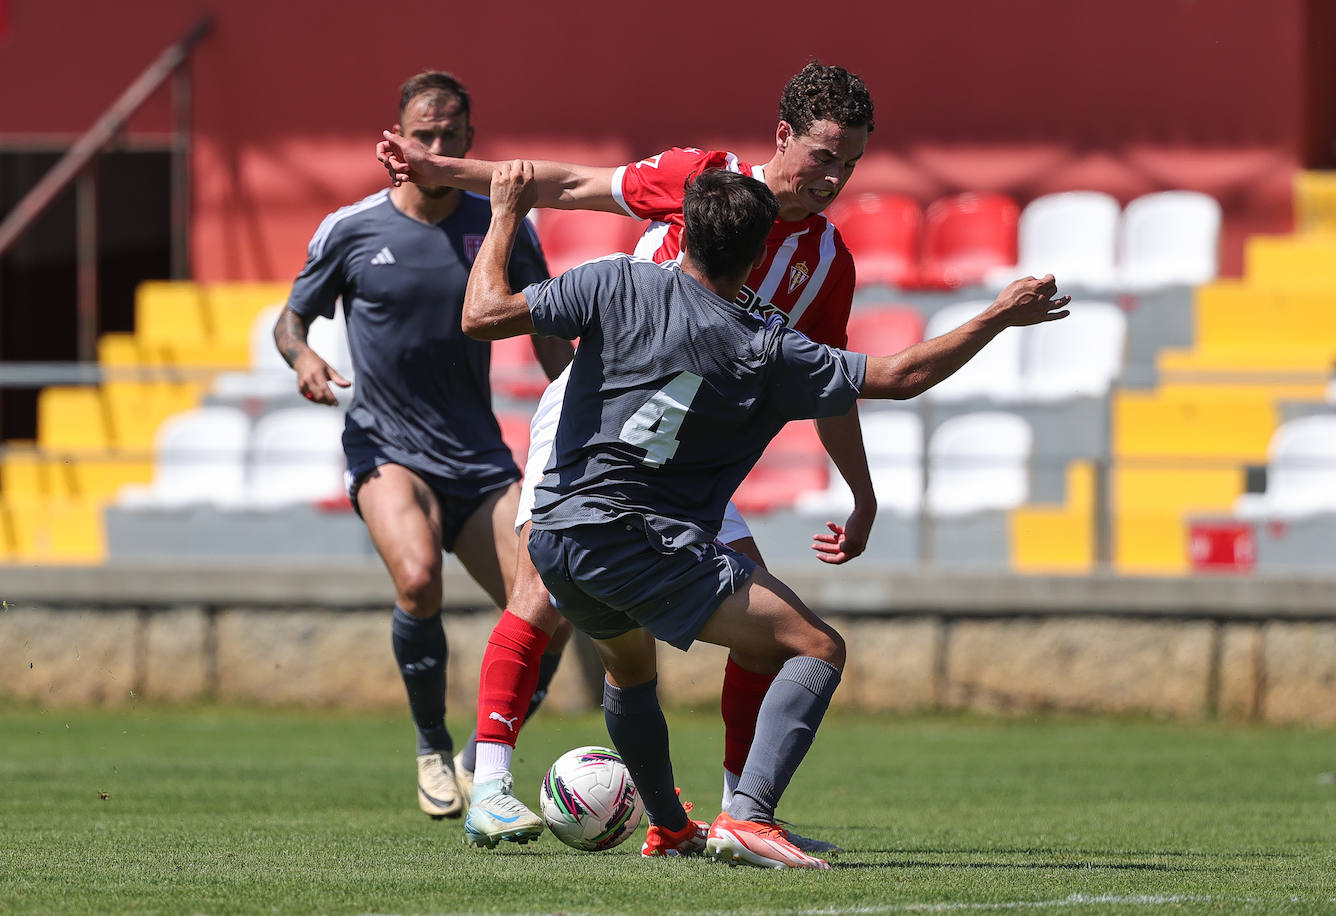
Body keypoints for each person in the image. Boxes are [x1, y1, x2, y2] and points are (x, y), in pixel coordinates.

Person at [465, 162, 1068, 869]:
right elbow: (901, 375)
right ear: (757, 259)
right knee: (817, 648)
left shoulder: (611, 279)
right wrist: (998, 315)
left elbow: (480, 316)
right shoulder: (765, 346)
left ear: (680, 230)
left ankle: (670, 827)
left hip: (559, 533)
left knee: (629, 672)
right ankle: (747, 815)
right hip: (642, 539)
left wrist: (506, 213)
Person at [380, 61, 883, 851]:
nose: (835, 177)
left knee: (763, 620)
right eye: (825, 155)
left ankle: (736, 814)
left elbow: (832, 386)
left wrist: (862, 495)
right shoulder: (698, 179)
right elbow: (572, 184)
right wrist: (450, 171)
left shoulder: (827, 263)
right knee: (541, 591)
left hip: (688, 460)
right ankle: (493, 790)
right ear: (783, 135)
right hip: (593, 422)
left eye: (850, 163)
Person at [274, 70, 573, 822]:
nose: (438, 147)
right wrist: (304, 357)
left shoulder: (501, 225)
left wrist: (589, 404)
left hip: (478, 456)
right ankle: (431, 747)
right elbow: (291, 320)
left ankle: (481, 755)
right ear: (400, 140)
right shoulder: (351, 228)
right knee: (416, 580)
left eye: (451, 136)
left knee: (555, 604)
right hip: (387, 447)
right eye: (425, 135)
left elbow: (548, 340)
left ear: (471, 143)